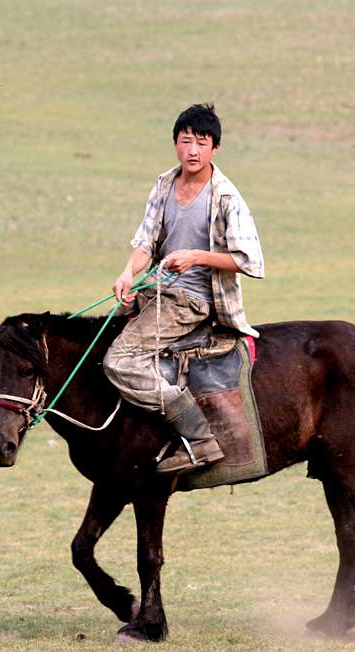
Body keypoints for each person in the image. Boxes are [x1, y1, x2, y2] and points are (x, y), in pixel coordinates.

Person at [102, 103, 265, 474]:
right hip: (157, 290)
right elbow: (145, 242)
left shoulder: (226, 197)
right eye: (185, 140)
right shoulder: (164, 184)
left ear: (215, 149)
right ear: (175, 143)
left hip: (193, 300)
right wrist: (127, 273)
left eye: (202, 142)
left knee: (118, 362)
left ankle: (201, 437)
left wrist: (196, 257)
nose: (193, 150)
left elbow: (249, 261)